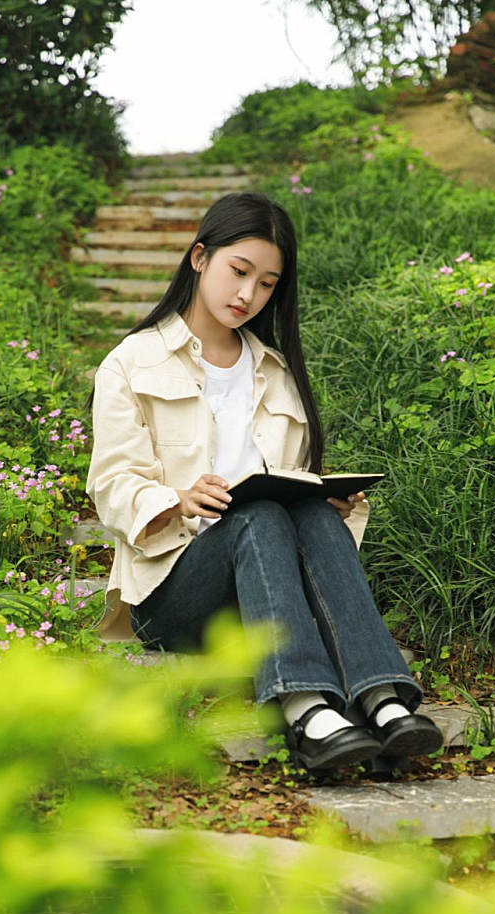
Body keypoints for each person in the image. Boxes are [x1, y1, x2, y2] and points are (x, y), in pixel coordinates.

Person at [86, 191, 443, 774]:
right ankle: (306, 708)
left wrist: (324, 499)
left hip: (270, 584)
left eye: (267, 283)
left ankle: (382, 702)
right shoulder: (131, 362)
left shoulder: (276, 373)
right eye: (239, 271)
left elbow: (289, 481)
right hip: (173, 591)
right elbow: (109, 484)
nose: (248, 295)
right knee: (254, 515)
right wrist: (177, 499)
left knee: (300, 511)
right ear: (200, 258)